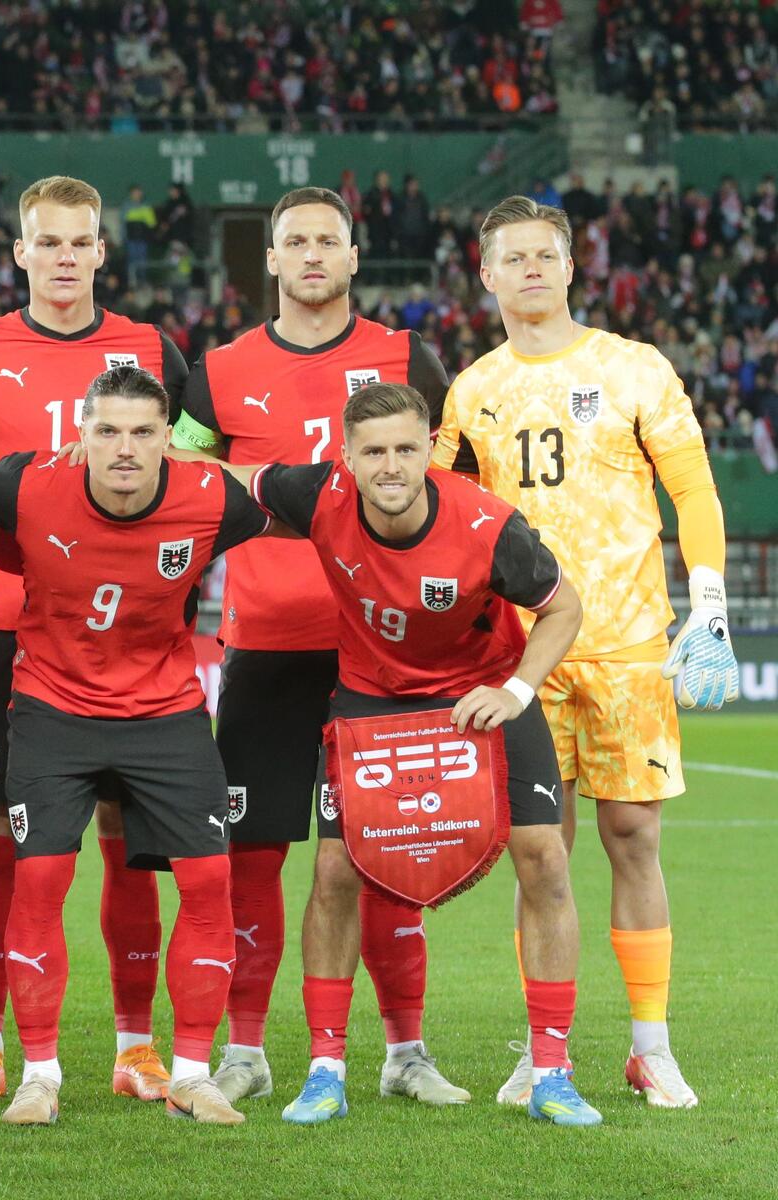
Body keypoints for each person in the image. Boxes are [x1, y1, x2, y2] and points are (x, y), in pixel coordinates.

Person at [434, 196, 733, 1109]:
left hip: (631, 648)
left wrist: (710, 602)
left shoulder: (634, 367)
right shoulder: (473, 389)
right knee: (541, 854)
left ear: (571, 268)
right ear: (485, 277)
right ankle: (544, 1048)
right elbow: (446, 518)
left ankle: (652, 1046)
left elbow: (693, 488)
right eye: (511, 257)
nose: (530, 269)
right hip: (522, 662)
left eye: (545, 256)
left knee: (634, 839)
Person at [170, 186, 458, 1107]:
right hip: (266, 647)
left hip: (383, 654)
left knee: (389, 853)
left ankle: (405, 1052)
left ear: (353, 256)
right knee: (252, 856)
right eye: (294, 240)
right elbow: (180, 479)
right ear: (272, 258)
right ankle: (247, 1053)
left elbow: (450, 478)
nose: (310, 255)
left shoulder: (407, 356)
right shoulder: (218, 372)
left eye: (327, 240)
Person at [249, 381, 600, 1128]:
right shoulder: (316, 495)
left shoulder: (487, 524)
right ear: (344, 458)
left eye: (407, 448)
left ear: (429, 447)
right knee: (336, 869)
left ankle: (552, 1069)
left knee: (544, 856)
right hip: (372, 699)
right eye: (373, 451)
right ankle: (325, 1069)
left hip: (480, 695)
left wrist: (517, 689)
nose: (391, 465)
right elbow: (220, 479)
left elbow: (563, 606)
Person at [0, 174, 190, 1106]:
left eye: (82, 242)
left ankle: (135, 1045)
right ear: (21, 251)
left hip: (136, 641)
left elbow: (191, 463)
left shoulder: (153, 351)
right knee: (1, 841)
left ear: (102, 250)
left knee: (126, 840)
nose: (66, 258)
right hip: (11, 632)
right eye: (49, 242)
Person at [0, 365, 273, 1126]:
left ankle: (194, 1074)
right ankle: (39, 1074)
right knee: (37, 883)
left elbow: (315, 505)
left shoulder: (212, 498)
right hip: (51, 712)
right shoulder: (22, 485)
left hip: (166, 715)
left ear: (169, 440)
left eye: (143, 432)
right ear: (80, 434)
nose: (125, 448)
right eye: (107, 430)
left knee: (208, 883)